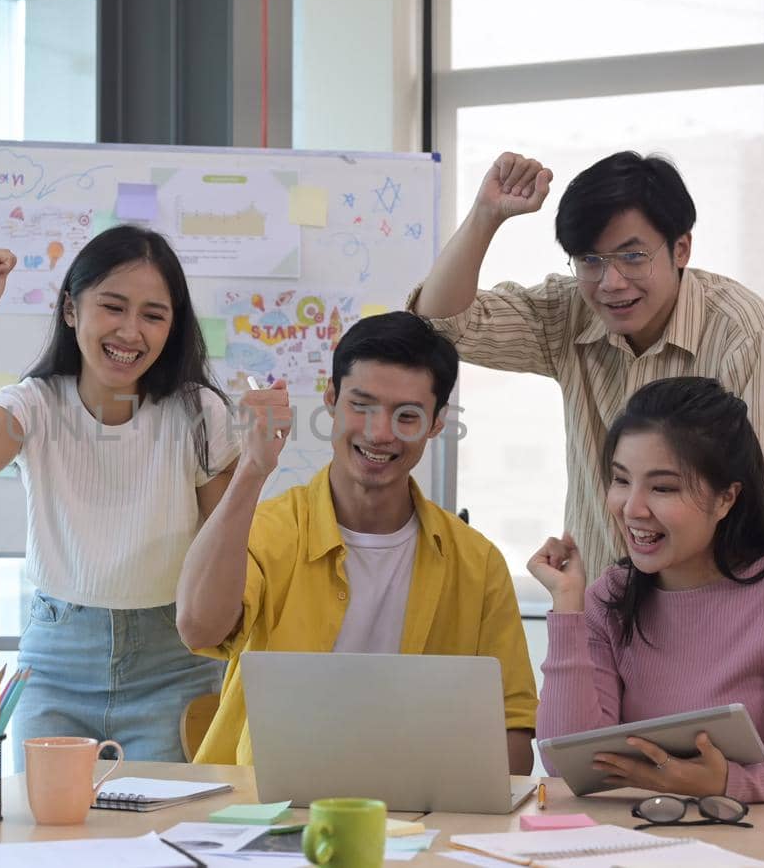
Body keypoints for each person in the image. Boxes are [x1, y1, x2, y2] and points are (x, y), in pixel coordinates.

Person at [410, 151, 764, 580]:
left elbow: (758, 513)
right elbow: (440, 326)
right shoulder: (569, 310)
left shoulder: (744, 334)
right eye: (590, 260)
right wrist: (486, 215)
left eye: (632, 257)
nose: (610, 283)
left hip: (704, 610)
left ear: (681, 248)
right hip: (595, 608)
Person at [176, 311, 538, 768]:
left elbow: (514, 736)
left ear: (437, 423)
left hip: (420, 812)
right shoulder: (271, 530)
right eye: (361, 406)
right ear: (331, 399)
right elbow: (198, 627)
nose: (379, 432)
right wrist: (252, 467)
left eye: (407, 415)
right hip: (268, 804)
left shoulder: (476, 562)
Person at [0, 225, 239, 762]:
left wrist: (257, 466)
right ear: (71, 311)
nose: (130, 332)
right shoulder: (34, 405)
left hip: (176, 663)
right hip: (57, 663)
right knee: (49, 833)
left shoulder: (201, 414)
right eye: (113, 307)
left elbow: (230, 562)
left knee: (163, 837)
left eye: (153, 315)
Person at [526, 376, 764, 803]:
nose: (632, 508)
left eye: (663, 487)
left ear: (726, 499)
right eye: (621, 480)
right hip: (646, 840)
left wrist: (732, 785)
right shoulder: (610, 597)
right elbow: (566, 763)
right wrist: (568, 608)